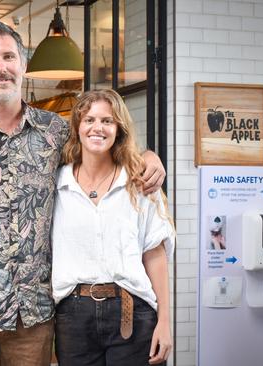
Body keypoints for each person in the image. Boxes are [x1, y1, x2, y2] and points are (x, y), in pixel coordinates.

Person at [0, 21, 166, 366]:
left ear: (23, 65)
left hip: (33, 316)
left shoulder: (56, 132)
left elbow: (105, 152)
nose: (0, 67)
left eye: (9, 56)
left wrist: (149, 156)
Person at [52, 89, 174, 365]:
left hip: (133, 312)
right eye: (89, 120)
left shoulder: (140, 184)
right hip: (73, 316)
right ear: (78, 127)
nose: (98, 127)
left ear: (119, 129)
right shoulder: (56, 184)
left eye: (107, 120)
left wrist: (165, 321)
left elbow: (155, 255)